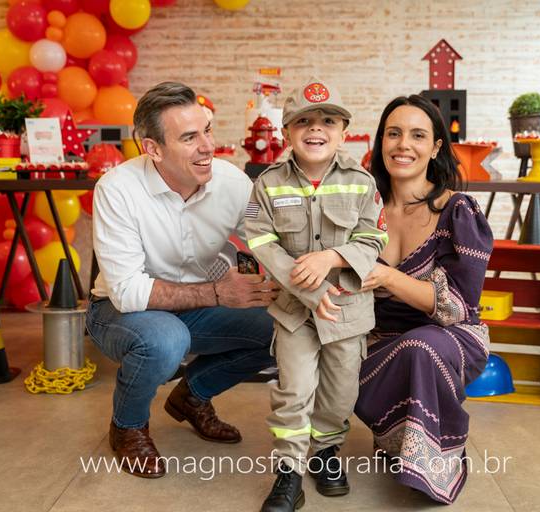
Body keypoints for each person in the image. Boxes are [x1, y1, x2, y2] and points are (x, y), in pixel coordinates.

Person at [87, 81, 278, 479]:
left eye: (207, 130)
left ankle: (193, 396)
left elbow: (265, 243)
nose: (207, 146)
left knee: (284, 328)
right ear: (153, 148)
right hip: (120, 313)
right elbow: (128, 292)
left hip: (200, 306)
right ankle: (128, 426)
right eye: (189, 138)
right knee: (164, 340)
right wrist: (218, 292)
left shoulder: (232, 182)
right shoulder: (117, 190)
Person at [245, 78, 388, 512]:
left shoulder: (362, 182)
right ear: (286, 131)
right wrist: (303, 287)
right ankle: (289, 471)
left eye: (328, 120)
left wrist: (331, 258)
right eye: (304, 121)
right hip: (293, 311)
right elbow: (260, 239)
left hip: (347, 310)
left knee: (339, 392)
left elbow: (374, 238)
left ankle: (325, 453)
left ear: (343, 132)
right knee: (294, 390)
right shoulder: (268, 183)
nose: (316, 128)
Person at [354, 95, 493, 504]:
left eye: (418, 135)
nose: (403, 144)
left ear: (435, 148)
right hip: (375, 337)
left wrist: (387, 276)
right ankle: (392, 436)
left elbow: (458, 307)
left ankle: (430, 466)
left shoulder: (458, 210)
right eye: (393, 133)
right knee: (326, 352)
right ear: (381, 142)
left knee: (420, 346)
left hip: (449, 337)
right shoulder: (362, 208)